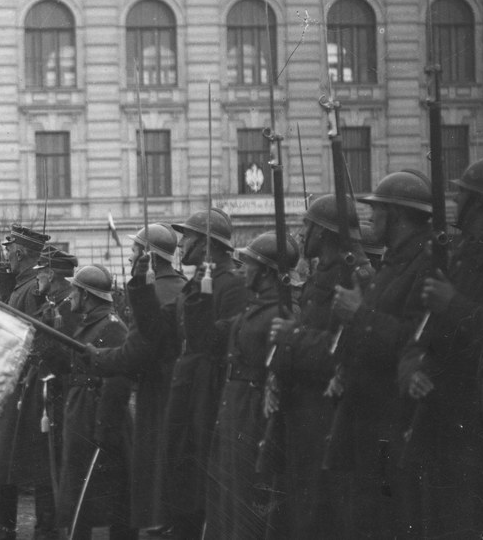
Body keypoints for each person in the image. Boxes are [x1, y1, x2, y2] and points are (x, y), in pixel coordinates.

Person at [329, 170, 436, 539]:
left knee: (389, 521)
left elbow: (415, 339)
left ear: (398, 214)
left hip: (391, 421)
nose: (371, 217)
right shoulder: (394, 263)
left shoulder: (425, 264)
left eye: (378, 209)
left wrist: (360, 313)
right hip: (368, 420)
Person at [131, 209, 248, 540]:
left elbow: (227, 341)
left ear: (209, 245)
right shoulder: (195, 284)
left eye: (190, 237)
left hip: (209, 393)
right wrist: (140, 285)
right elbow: (158, 330)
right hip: (186, 391)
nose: (182, 244)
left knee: (202, 478)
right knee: (182, 472)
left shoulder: (232, 284)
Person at [409, 153, 483, 537]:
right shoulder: (458, 257)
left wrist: (455, 305)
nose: (455, 201)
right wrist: (414, 368)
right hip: (441, 417)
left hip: (477, 423)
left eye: (462, 194)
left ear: (479, 202)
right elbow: (419, 334)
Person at [265, 195, 359, 539]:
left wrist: (292, 337)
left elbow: (338, 349)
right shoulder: (321, 275)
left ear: (323, 232)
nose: (302, 234)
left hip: (323, 413)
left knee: (318, 514)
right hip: (302, 411)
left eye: (308, 226)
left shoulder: (343, 278)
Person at [83, 223, 186, 535]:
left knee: (154, 484)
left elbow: (136, 352)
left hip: (155, 396)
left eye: (135, 250)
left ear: (147, 255)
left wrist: (99, 358)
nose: (130, 257)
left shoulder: (154, 291)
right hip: (178, 390)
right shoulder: (182, 285)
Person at [205, 232, 298, 538]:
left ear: (268, 272)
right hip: (236, 408)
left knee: (248, 495)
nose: (243, 270)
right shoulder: (255, 308)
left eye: (250, 264)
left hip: (254, 412)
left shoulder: (280, 313)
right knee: (232, 492)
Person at [0, 224, 61, 540]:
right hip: (13, 382)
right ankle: (2, 523)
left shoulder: (33, 289)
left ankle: (35, 526)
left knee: (31, 458)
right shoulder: (20, 286)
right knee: (2, 454)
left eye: (9, 251)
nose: (6, 257)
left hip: (28, 383)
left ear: (21, 253)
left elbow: (38, 337)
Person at [56, 265, 133, 540]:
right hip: (81, 413)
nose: (70, 296)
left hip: (95, 417)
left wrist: (103, 426)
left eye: (74, 290)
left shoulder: (111, 327)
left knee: (102, 494)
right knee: (79, 492)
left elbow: (118, 380)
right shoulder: (90, 323)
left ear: (86, 295)